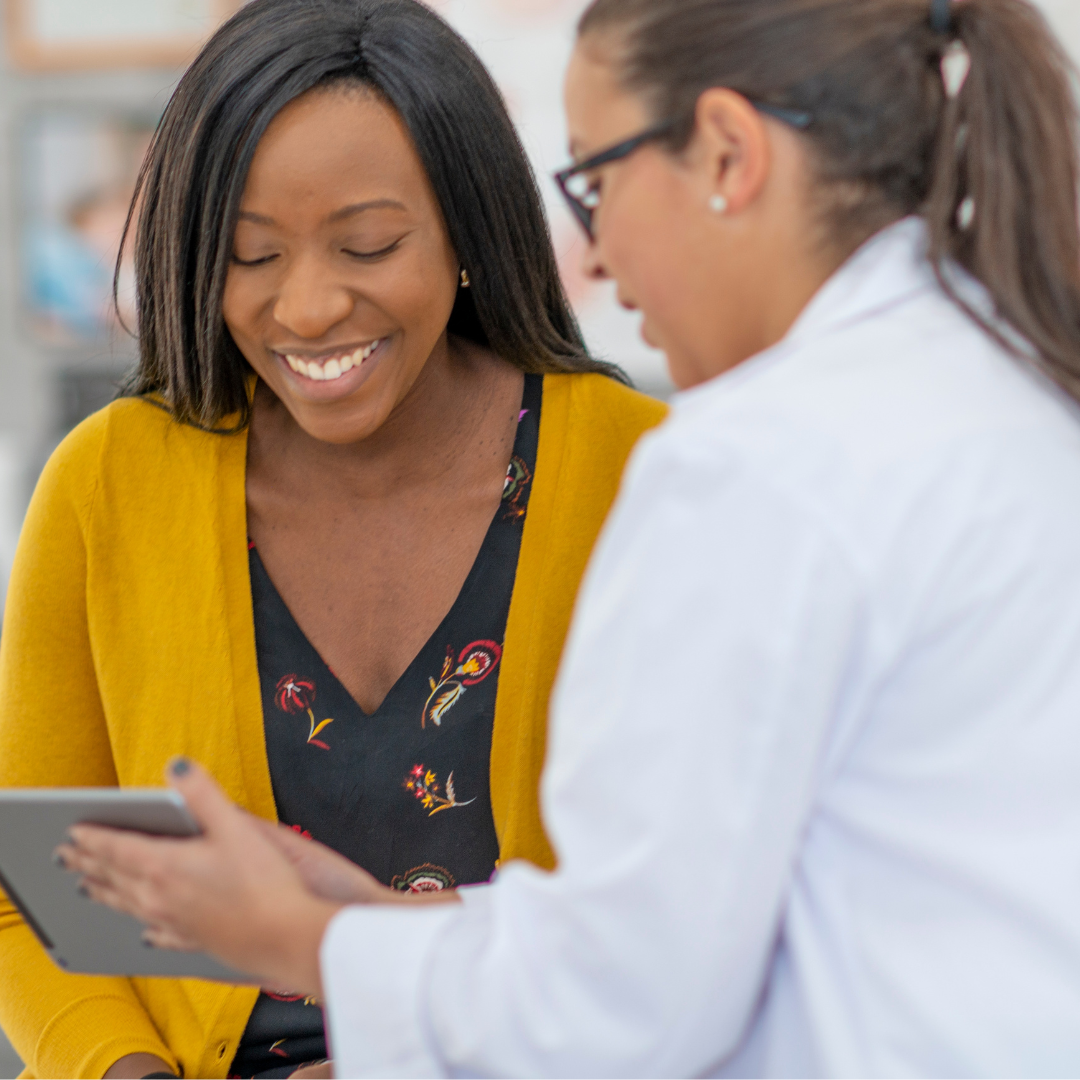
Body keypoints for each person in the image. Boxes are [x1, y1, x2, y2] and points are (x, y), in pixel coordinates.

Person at [55, 0, 1080, 1074]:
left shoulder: (744, 467)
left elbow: (619, 1006)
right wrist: (379, 932)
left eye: (597, 178)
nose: (590, 242)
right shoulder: (1007, 392)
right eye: (251, 254)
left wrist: (308, 942)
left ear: (729, 151)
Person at [0, 1, 667, 1078]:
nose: (306, 308)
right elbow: (25, 903)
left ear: (466, 232)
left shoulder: (647, 476)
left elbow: (688, 911)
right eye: (249, 256)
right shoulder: (105, 482)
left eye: (368, 245)